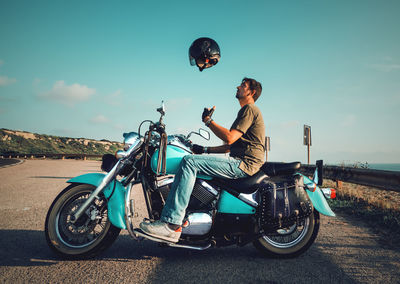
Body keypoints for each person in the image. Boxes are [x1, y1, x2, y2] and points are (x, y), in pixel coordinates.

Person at [140, 77, 265, 243]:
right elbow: (230, 147)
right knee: (193, 160)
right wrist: (203, 150)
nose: (238, 87)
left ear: (252, 92)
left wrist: (208, 122)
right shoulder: (246, 112)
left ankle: (172, 224)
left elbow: (229, 138)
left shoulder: (249, 109)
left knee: (189, 162)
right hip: (241, 160)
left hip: (244, 164)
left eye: (243, 85)